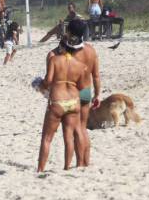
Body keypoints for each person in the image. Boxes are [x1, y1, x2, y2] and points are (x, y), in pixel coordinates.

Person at [37, 26, 89, 172]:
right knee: (69, 136)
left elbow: (48, 80)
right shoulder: (80, 66)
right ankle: (67, 167)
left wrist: (40, 84)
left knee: (47, 138)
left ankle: (40, 169)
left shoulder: (54, 60)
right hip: (74, 102)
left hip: (58, 101)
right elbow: (82, 87)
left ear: (64, 46)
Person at [68, 19, 101, 166]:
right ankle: (86, 161)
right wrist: (98, 94)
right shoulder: (91, 50)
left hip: (73, 92)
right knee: (83, 128)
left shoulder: (71, 51)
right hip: (87, 91)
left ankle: (80, 162)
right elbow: (96, 75)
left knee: (76, 131)